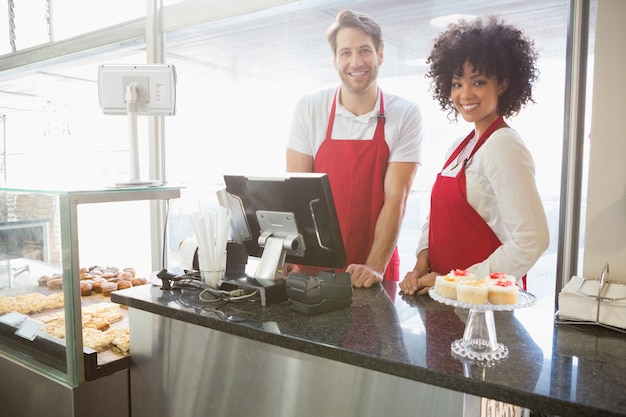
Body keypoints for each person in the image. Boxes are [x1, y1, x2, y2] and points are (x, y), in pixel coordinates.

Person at [399, 16, 549, 296]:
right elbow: (435, 220)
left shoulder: (503, 145)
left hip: (483, 305)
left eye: (478, 82)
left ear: (503, 83)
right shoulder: (460, 145)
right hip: (444, 298)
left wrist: (457, 281)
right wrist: (422, 262)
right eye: (457, 84)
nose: (465, 94)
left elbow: (532, 240)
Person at [286, 9, 423, 288]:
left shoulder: (405, 114)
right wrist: (285, 252)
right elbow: (296, 190)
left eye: (364, 51)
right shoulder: (310, 108)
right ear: (335, 60)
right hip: (313, 268)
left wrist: (373, 267)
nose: (355, 62)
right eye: (346, 52)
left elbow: (397, 197)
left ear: (380, 54)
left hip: (374, 268)